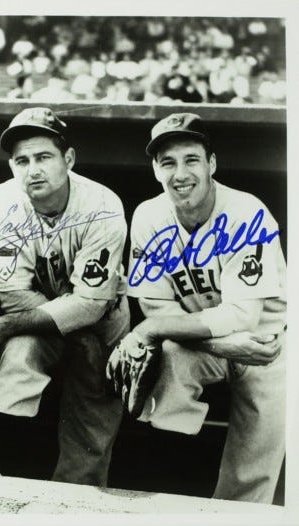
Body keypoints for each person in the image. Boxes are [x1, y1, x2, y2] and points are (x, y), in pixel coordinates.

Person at [0, 107, 130, 485]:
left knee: (92, 423)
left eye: (44, 157)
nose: (32, 170)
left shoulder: (102, 206)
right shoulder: (3, 201)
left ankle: (75, 506)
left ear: (68, 159)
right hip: (33, 322)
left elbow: (91, 305)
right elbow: (13, 295)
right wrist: (71, 326)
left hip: (103, 325)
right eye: (22, 160)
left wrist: (75, 323)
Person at [126, 112, 286, 503]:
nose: (180, 173)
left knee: (252, 469)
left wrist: (156, 329)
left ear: (211, 164)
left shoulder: (248, 213)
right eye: (168, 162)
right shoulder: (149, 216)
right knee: (165, 365)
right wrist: (214, 345)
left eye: (191, 159)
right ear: (155, 170)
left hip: (272, 342)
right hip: (202, 342)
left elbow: (243, 317)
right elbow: (155, 308)